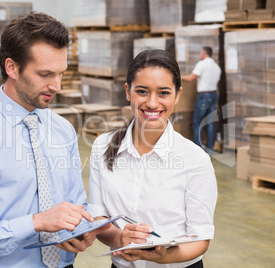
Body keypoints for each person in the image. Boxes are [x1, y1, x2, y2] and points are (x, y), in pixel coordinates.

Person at [0, 12, 107, 267]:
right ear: (12, 68)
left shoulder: (63, 130)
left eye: (61, 74)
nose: (57, 86)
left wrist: (80, 231)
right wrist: (35, 223)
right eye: (45, 74)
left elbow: (75, 204)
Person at [88, 49, 218, 268]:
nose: (152, 103)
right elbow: (99, 218)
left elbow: (200, 239)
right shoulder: (102, 147)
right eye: (142, 91)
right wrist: (120, 238)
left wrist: (162, 257)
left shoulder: (195, 160)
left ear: (177, 95)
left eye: (163, 93)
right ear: (128, 91)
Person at [181, 46, 221, 154]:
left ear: (203, 54)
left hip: (204, 96)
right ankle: (210, 149)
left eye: (200, 53)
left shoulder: (202, 64)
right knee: (210, 122)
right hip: (213, 95)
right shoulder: (217, 67)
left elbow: (190, 78)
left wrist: (179, 77)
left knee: (197, 122)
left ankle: (197, 149)